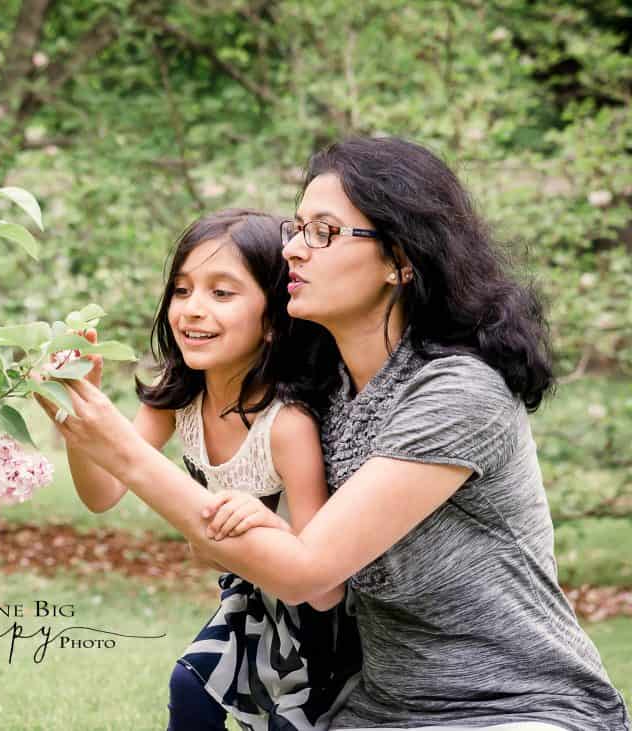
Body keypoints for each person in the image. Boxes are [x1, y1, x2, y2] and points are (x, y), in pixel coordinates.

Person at [36, 137, 630, 730]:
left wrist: (116, 444)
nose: (293, 249)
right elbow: (277, 549)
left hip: (520, 708)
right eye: (297, 228)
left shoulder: (457, 393)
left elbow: (308, 570)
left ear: (401, 260)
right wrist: (76, 405)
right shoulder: (325, 387)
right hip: (374, 710)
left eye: (322, 232)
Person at [61, 208, 360, 730]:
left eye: (222, 293)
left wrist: (268, 522)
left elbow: (323, 583)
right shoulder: (176, 399)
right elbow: (102, 492)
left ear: (272, 321)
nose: (192, 310)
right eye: (182, 290)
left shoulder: (286, 424)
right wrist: (77, 418)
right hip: (248, 597)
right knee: (191, 683)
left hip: (318, 628)